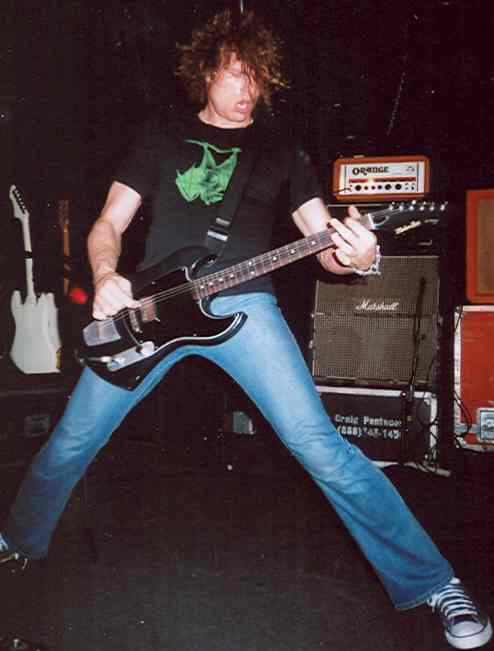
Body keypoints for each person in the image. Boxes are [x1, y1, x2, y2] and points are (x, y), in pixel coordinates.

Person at [0, 9, 491, 650]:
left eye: (257, 77)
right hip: (151, 312)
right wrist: (106, 274)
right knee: (72, 438)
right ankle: (16, 538)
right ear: (206, 72)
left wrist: (358, 256)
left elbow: (323, 244)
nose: (247, 90)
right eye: (236, 74)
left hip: (246, 309)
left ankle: (433, 582)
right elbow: (108, 224)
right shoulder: (161, 134)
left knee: (319, 445)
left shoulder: (280, 148)